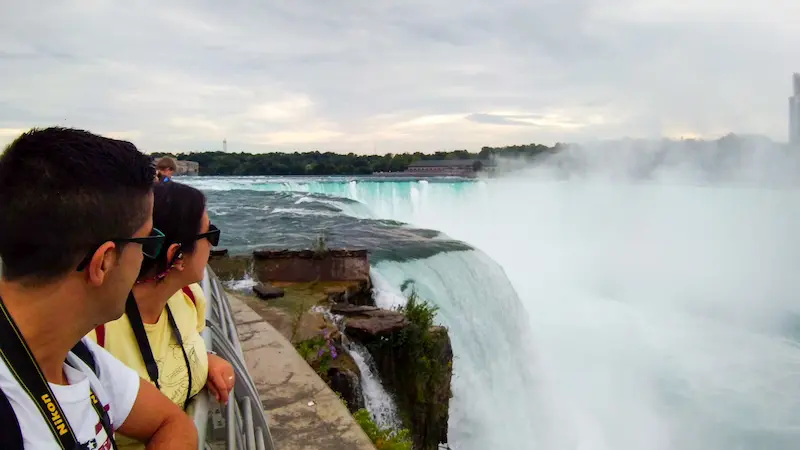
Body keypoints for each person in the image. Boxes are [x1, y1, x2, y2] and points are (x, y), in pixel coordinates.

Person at [0, 127, 198, 449]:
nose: (146, 259)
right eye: (147, 242)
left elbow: (172, 421)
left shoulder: (74, 353)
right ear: (103, 262)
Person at [88, 182, 234, 450]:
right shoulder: (96, 332)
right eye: (210, 234)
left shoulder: (189, 297)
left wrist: (207, 359)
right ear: (176, 255)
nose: (213, 246)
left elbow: (173, 348)